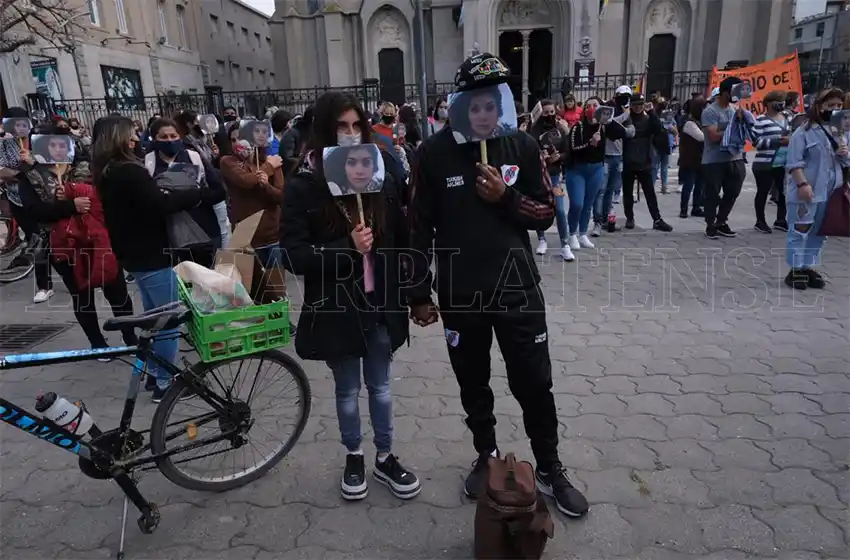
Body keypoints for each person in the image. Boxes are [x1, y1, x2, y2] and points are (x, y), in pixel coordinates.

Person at [407, 52, 589, 518]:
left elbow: (546, 212)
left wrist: (506, 197)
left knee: (534, 382)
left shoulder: (521, 146)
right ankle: (486, 455)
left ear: (501, 104)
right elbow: (417, 227)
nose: (484, 114)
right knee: (473, 382)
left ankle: (548, 466)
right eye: (475, 105)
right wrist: (418, 293)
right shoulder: (432, 153)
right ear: (460, 106)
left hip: (517, 291)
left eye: (492, 104)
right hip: (461, 294)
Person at [280, 90, 420, 502]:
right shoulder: (305, 185)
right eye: (341, 126)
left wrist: (416, 291)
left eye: (357, 125)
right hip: (337, 306)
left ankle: (385, 456)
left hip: (380, 302)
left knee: (381, 387)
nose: (351, 133)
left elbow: (403, 238)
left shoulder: (380, 172)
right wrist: (347, 248)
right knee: (346, 391)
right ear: (325, 129)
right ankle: (354, 455)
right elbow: (293, 255)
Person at [93, 116, 219, 400]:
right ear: (118, 138)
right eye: (131, 134)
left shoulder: (109, 170)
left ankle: (155, 374)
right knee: (169, 321)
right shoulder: (129, 171)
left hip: (136, 255)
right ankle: (165, 383)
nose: (136, 139)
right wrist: (193, 194)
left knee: (155, 320)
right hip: (151, 254)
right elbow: (159, 204)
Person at [17, 130, 137, 354]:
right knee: (82, 296)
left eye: (62, 145)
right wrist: (71, 206)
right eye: (52, 145)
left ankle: (130, 338)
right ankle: (97, 345)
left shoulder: (87, 170)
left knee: (117, 291)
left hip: (100, 240)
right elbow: (35, 212)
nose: (58, 150)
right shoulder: (31, 177)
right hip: (65, 245)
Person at [784, 88, 849, 290]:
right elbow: (794, 162)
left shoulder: (842, 132)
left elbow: (846, 162)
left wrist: (844, 152)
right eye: (831, 105)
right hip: (807, 190)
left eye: (839, 105)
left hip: (832, 190)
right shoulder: (803, 131)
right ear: (820, 107)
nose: (835, 109)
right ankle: (795, 269)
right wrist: (802, 184)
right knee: (800, 228)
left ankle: (808, 266)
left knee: (821, 230)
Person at [219, 122, 287, 302]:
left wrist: (267, 185)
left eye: (241, 138)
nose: (238, 143)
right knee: (251, 296)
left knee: (277, 293)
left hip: (271, 236)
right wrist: (268, 168)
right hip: (245, 239)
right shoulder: (228, 162)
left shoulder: (271, 161)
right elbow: (246, 181)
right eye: (233, 139)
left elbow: (281, 196)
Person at [146, 117, 226, 266]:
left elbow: (219, 191)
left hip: (203, 232)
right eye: (164, 137)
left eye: (173, 136)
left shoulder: (194, 157)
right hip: (170, 238)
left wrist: (198, 196)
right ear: (155, 139)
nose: (169, 140)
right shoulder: (148, 163)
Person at [564, 96, 626, 253]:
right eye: (588, 106)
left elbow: (622, 133)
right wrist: (590, 143)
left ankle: (583, 233)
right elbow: (573, 148)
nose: (591, 108)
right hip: (577, 170)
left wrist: (609, 120)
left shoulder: (603, 127)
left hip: (596, 169)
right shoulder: (578, 127)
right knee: (577, 203)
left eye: (595, 105)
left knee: (588, 203)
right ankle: (572, 233)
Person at [701, 76, 747, 239]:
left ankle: (721, 221)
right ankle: (710, 224)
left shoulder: (735, 110)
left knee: (733, 191)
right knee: (712, 194)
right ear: (726, 92)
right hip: (714, 160)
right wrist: (733, 128)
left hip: (735, 158)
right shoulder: (710, 112)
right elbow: (713, 136)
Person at [620, 93, 674, 231]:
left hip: (644, 160)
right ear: (631, 105)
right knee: (628, 192)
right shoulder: (627, 119)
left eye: (640, 105)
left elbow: (658, 130)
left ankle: (657, 219)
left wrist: (652, 113)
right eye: (635, 105)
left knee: (650, 192)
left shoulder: (648, 118)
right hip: (628, 160)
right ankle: (630, 218)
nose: (638, 107)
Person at [529, 99, 571, 259]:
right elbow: (529, 152)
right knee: (539, 209)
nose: (549, 115)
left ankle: (565, 244)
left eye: (552, 112)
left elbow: (567, 151)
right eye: (546, 112)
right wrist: (541, 156)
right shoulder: (534, 131)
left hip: (555, 178)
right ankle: (542, 239)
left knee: (559, 210)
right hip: (539, 177)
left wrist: (559, 157)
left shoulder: (560, 128)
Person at [593, 85, 634, 235]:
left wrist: (621, 127)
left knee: (610, 190)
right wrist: (622, 119)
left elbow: (631, 132)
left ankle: (606, 219)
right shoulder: (608, 109)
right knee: (601, 190)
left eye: (627, 97)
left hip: (617, 154)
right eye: (622, 96)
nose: (624, 100)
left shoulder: (626, 113)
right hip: (604, 155)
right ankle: (597, 222)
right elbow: (605, 122)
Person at [751, 90, 791, 234]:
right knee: (763, 191)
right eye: (778, 101)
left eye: (782, 101)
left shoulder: (788, 118)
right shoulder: (761, 120)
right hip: (765, 163)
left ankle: (781, 220)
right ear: (768, 104)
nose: (781, 104)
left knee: (783, 193)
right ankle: (760, 221)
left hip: (784, 162)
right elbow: (756, 141)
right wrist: (777, 141)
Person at [678, 99, 706, 218]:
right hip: (690, 160)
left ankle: (696, 208)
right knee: (688, 185)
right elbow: (701, 137)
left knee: (699, 185)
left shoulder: (699, 122)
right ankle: (683, 209)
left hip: (700, 158)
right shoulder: (690, 123)